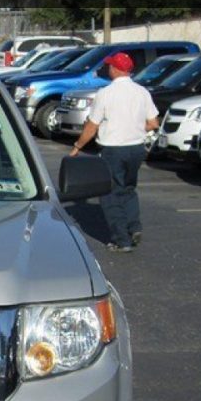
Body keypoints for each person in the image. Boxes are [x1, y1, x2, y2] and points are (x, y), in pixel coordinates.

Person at [69, 52, 160, 252]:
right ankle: (134, 227)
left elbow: (92, 126)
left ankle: (121, 240)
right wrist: (134, 128)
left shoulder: (105, 93)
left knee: (109, 192)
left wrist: (77, 146)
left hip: (112, 148)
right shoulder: (142, 92)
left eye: (110, 66)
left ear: (116, 69)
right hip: (136, 147)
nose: (108, 69)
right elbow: (153, 123)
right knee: (128, 188)